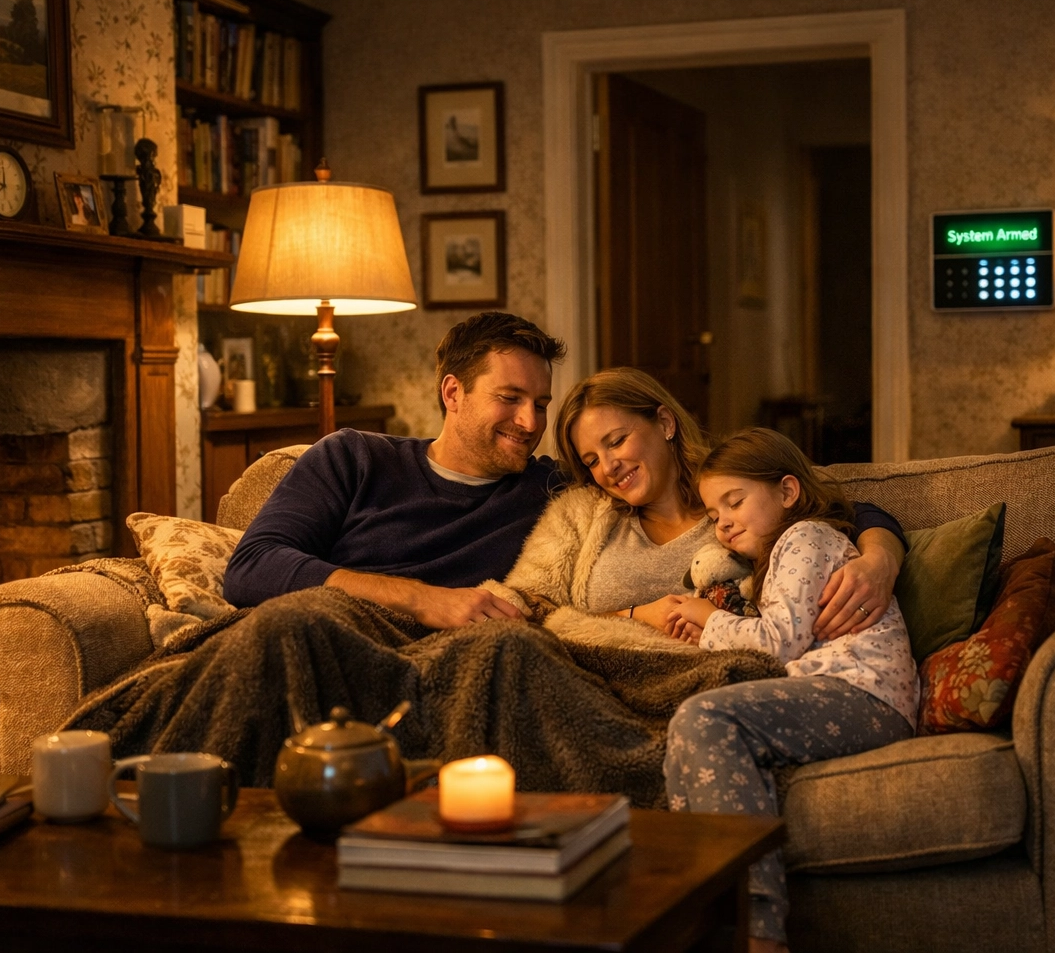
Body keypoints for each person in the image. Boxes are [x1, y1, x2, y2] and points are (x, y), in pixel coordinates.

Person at [660, 428, 919, 953]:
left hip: (864, 693)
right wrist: (709, 628)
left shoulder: (806, 538)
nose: (725, 522)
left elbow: (776, 645)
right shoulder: (774, 561)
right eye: (714, 516)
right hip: (836, 689)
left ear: (787, 491)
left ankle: (759, 933)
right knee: (688, 730)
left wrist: (708, 618)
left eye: (735, 502)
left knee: (705, 719)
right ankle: (708, 917)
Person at [499, 367, 906, 642]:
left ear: (665, 423)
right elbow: (530, 607)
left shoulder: (735, 498)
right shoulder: (582, 513)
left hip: (705, 680)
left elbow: (840, 508)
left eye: (617, 441)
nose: (608, 467)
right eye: (591, 461)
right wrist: (638, 615)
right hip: (594, 674)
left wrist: (879, 561)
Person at [223, 311, 563, 627]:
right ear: (453, 393)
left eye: (541, 405)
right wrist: (421, 599)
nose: (530, 422)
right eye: (509, 398)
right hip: (331, 636)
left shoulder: (550, 492)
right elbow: (252, 568)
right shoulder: (352, 457)